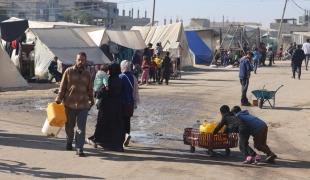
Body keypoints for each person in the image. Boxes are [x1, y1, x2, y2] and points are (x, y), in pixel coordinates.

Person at [55, 52, 94, 157]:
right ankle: (69, 142)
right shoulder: (68, 71)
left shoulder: (87, 74)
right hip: (69, 103)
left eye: (83, 60)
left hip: (83, 105)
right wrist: (58, 99)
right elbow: (62, 87)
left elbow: (90, 89)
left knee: (81, 127)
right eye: (79, 60)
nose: (81, 62)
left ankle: (79, 148)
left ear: (85, 61)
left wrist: (92, 100)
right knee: (69, 126)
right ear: (75, 60)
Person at [89, 63, 125, 152]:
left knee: (104, 124)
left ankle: (105, 143)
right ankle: (116, 145)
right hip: (117, 106)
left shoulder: (110, 80)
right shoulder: (119, 80)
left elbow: (103, 92)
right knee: (116, 126)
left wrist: (97, 93)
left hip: (107, 106)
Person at [119, 60, 139, 147]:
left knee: (120, 121)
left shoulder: (120, 77)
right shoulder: (133, 77)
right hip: (130, 103)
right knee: (127, 120)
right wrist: (135, 103)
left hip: (121, 103)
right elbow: (135, 92)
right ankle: (127, 134)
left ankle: (124, 136)